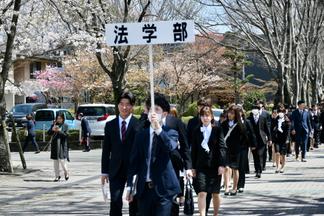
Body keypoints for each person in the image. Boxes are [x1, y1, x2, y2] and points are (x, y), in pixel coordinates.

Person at [126, 93, 180, 216]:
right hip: (144, 189)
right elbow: (133, 162)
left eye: (157, 110)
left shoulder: (171, 133)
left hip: (164, 189)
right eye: (151, 109)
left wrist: (158, 130)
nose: (153, 113)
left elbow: (170, 147)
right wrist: (129, 186)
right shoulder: (141, 135)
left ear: (164, 114)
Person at [101, 92, 139, 216]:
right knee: (115, 201)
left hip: (133, 170)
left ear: (132, 106)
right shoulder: (110, 125)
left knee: (134, 203)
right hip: (115, 169)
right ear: (117, 105)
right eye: (121, 104)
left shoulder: (138, 125)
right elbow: (106, 150)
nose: (124, 107)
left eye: (127, 104)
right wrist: (104, 171)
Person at [191, 106, 226, 216]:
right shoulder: (196, 130)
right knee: (202, 192)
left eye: (207, 115)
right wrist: (192, 167)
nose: (205, 118)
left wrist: (222, 164)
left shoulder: (217, 129)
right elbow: (194, 150)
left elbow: (222, 147)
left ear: (211, 117)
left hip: (215, 166)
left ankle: (215, 214)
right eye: (202, 116)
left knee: (215, 193)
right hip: (201, 166)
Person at [187, 98, 213, 215]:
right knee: (198, 187)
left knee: (206, 190)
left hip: (211, 161)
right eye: (199, 106)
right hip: (196, 156)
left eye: (203, 106)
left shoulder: (214, 124)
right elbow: (187, 140)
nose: (201, 108)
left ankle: (204, 210)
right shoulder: (192, 122)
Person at [248, 105, 272, 178]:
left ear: (259, 110)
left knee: (260, 154)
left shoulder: (263, 118)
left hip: (262, 139)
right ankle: (257, 170)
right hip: (253, 140)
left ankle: (259, 170)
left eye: (256, 109)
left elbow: (267, 129)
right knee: (255, 156)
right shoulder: (249, 119)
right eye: (253, 109)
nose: (254, 110)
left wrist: (270, 139)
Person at [237, 107, 256, 193]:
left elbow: (252, 133)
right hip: (232, 147)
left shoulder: (247, 122)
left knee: (241, 166)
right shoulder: (232, 122)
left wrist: (253, 144)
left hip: (243, 146)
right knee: (233, 167)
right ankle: (234, 183)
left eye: (239, 112)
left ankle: (241, 184)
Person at [48, 113, 69, 182]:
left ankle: (66, 172)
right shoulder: (54, 125)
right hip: (55, 145)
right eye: (57, 118)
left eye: (60, 118)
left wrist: (59, 131)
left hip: (62, 145)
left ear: (63, 119)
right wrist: (52, 130)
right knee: (55, 162)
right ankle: (57, 176)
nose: (58, 120)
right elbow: (48, 133)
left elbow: (66, 135)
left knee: (62, 161)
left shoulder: (65, 125)